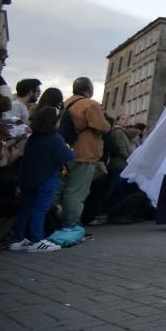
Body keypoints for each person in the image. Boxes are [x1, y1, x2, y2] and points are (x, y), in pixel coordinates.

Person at [8, 106, 74, 252]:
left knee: (25, 207)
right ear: (54, 121)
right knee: (41, 208)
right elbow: (68, 156)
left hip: (27, 178)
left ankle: (18, 239)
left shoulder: (33, 137)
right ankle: (37, 240)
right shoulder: (55, 138)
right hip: (46, 178)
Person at [54, 78, 110, 228]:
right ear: (89, 90)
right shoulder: (90, 104)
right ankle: (71, 224)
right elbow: (103, 127)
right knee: (76, 192)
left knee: (60, 190)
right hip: (83, 155)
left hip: (64, 154)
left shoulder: (65, 104)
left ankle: (52, 222)